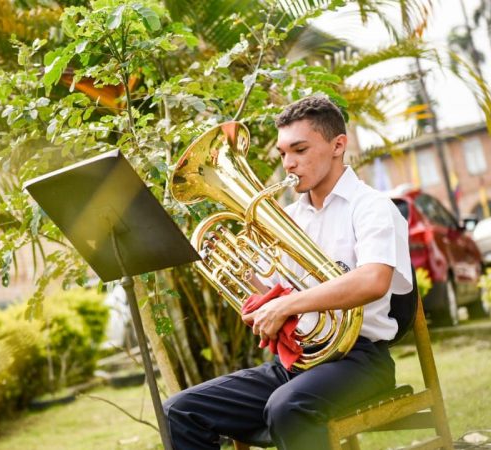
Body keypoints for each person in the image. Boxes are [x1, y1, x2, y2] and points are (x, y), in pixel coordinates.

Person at [162, 95, 413, 449]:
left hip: (360, 361)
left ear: (338, 145)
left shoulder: (371, 207)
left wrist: (287, 305)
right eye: (282, 153)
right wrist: (236, 272)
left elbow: (373, 280)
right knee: (179, 410)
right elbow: (271, 294)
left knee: (286, 406)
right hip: (297, 362)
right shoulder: (288, 218)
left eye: (300, 150)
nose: (288, 163)